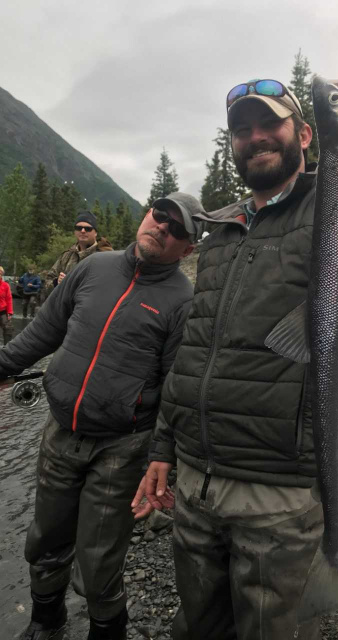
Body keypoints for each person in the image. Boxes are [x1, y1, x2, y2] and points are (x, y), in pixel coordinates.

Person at [132, 28, 338, 640]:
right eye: (241, 130)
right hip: (196, 483)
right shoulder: (217, 233)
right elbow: (194, 351)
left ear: (304, 135)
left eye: (268, 124)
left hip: (279, 495)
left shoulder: (336, 202)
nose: (255, 138)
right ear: (233, 148)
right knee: (198, 627)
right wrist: (164, 450)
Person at [0, 193, 204, 640]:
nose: (162, 227)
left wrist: (162, 458)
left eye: (177, 229)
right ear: (146, 215)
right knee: (46, 538)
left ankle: (107, 629)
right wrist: (2, 365)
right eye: (159, 215)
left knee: (98, 558)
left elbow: (175, 390)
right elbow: (44, 330)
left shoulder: (182, 302)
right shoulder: (93, 268)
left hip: (121, 446)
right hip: (60, 431)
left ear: (188, 248)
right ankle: (45, 620)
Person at [45, 210, 113, 294]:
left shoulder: (106, 256)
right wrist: (57, 283)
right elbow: (48, 280)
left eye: (88, 228)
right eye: (79, 228)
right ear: (75, 231)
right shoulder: (66, 256)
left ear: (95, 232)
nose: (83, 231)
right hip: (66, 306)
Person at [0, 266, 14, 345]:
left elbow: (9, 299)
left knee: (8, 328)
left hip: (3, 311)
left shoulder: (6, 285)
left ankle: (6, 348)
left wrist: (10, 312)